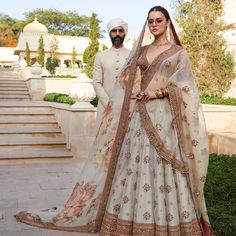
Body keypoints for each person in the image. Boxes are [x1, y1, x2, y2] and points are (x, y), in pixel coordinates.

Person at [15, 6, 213, 236]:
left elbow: (186, 87)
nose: (154, 24)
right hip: (139, 116)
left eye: (159, 20)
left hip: (165, 118)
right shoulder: (141, 51)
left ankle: (168, 222)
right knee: (132, 165)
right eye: (151, 21)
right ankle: (127, 220)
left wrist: (156, 93)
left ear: (168, 23)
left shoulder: (178, 52)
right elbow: (126, 81)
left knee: (162, 165)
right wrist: (130, 96)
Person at [93, 18, 130, 130]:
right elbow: (97, 83)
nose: (117, 34)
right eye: (114, 31)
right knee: (102, 144)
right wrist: (109, 104)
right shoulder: (100, 56)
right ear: (109, 33)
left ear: (125, 33)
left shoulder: (132, 55)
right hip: (105, 108)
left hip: (126, 109)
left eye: (120, 30)